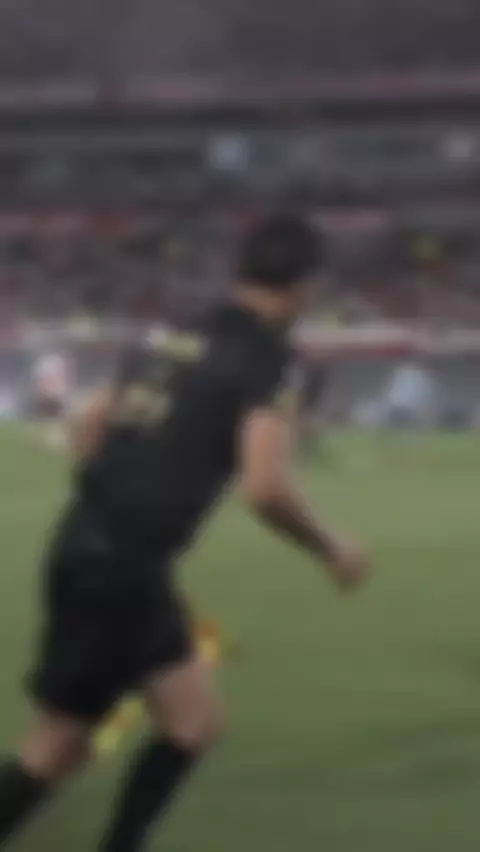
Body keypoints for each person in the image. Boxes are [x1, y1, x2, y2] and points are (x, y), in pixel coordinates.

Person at [0, 213, 369, 852]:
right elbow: (266, 487)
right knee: (58, 746)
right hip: (120, 569)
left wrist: (116, 497)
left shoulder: (174, 329)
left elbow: (89, 426)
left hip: (105, 551)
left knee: (193, 722)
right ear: (305, 285)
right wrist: (332, 547)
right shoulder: (267, 357)